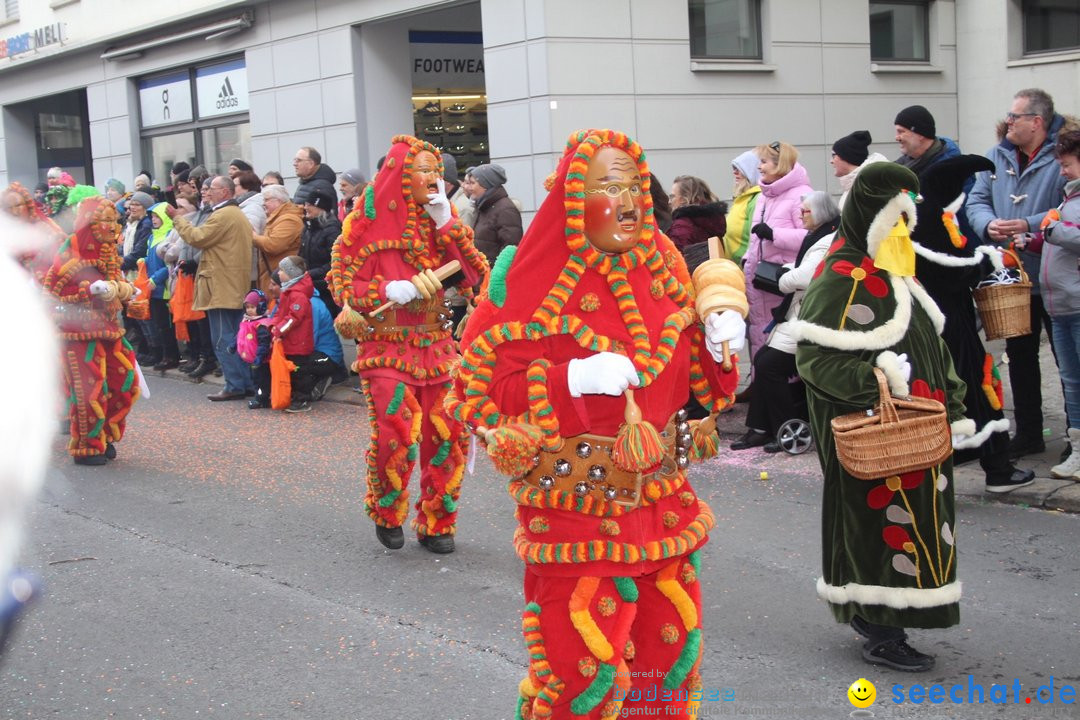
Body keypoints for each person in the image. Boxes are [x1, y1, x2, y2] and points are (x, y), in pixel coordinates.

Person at [446, 128, 745, 718]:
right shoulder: (530, 273)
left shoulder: (662, 266)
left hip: (663, 500)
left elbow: (707, 393)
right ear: (575, 197)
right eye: (611, 187)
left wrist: (717, 343)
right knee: (580, 676)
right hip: (573, 510)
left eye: (635, 186)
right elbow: (478, 394)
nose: (631, 202)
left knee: (669, 666)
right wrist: (568, 382)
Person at [793, 163, 973, 672]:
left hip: (918, 429)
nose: (903, 232)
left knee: (920, 526)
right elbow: (815, 359)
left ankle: (882, 615)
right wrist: (877, 379)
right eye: (894, 222)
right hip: (874, 430)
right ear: (871, 218)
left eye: (906, 222)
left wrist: (954, 405)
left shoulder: (896, 271)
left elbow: (934, 348)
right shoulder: (843, 273)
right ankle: (880, 626)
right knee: (878, 523)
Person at [328, 133, 488, 554]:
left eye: (437, 173)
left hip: (436, 344)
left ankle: (438, 520)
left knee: (449, 434)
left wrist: (446, 224)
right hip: (386, 345)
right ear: (401, 176)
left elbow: (475, 278)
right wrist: (386, 289)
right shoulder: (363, 222)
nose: (434, 180)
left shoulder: (443, 219)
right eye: (425, 172)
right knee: (396, 433)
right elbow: (344, 286)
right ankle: (387, 510)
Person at [911, 155, 1035, 492]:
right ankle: (998, 468)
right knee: (980, 388)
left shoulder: (923, 215)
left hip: (935, 321)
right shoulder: (931, 219)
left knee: (951, 393)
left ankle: (953, 459)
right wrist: (986, 264)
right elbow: (949, 272)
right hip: (949, 322)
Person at [966, 88, 1069, 459]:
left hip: (1054, 277)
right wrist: (989, 224)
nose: (1008, 121)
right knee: (1020, 357)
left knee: (1065, 360)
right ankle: (1028, 433)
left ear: (1037, 122)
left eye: (1015, 116)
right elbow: (976, 199)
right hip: (1008, 277)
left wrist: (1028, 222)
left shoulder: (1063, 156)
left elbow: (1069, 206)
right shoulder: (995, 155)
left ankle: (1074, 437)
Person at [732, 190, 840, 452]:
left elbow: (806, 276)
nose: (801, 215)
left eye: (806, 211)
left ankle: (784, 425)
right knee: (763, 362)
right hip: (798, 313)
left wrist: (780, 278)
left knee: (769, 364)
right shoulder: (818, 236)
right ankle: (760, 427)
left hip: (810, 317)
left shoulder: (826, 240)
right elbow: (802, 267)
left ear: (821, 213)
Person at [41, 196, 140, 465]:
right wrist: (90, 290)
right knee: (89, 389)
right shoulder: (70, 250)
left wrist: (125, 290)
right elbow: (55, 289)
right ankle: (87, 445)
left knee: (124, 382)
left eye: (113, 220)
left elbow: (116, 283)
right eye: (104, 221)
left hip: (109, 329)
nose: (111, 226)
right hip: (77, 332)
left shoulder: (108, 251)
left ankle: (105, 435)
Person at [165, 175, 256, 401]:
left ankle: (234, 384)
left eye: (211, 189)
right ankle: (243, 383)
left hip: (222, 286)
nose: (206, 193)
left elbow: (197, 237)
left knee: (224, 338)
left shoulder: (224, 215)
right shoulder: (234, 214)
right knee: (236, 337)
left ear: (225, 192)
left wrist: (177, 218)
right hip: (230, 284)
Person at [744, 141, 812, 368]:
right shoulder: (765, 195)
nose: (759, 167)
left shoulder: (801, 195)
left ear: (779, 164)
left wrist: (775, 234)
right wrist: (748, 257)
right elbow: (756, 238)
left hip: (780, 282)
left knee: (781, 341)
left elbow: (811, 237)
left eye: (764, 162)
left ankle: (783, 395)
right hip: (761, 280)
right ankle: (760, 391)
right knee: (760, 335)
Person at [1040, 130, 1080, 478]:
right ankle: (1078, 453)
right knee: (1071, 382)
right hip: (1060, 308)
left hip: (1078, 306)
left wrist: (1052, 230)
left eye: (1067, 165)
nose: (1062, 172)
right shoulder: (1068, 201)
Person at [271, 256, 318, 413]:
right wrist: (274, 325)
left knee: (300, 372)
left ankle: (302, 398)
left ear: (291, 274)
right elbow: (282, 313)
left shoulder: (297, 295)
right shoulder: (289, 291)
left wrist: (279, 329)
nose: (278, 273)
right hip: (292, 341)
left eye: (282, 270)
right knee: (294, 370)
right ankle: (296, 396)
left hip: (299, 342)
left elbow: (294, 318)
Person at [146, 202, 181, 371]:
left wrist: (156, 279)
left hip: (165, 287)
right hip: (152, 288)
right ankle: (163, 354)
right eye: (152, 217)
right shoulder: (151, 237)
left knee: (167, 325)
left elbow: (168, 265)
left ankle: (172, 356)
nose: (154, 220)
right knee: (159, 324)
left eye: (157, 216)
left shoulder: (168, 234)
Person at [299, 187, 343, 318]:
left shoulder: (332, 229)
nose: (305, 207)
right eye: (305, 204)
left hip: (326, 288)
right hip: (310, 284)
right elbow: (301, 255)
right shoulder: (308, 228)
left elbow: (334, 261)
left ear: (321, 208)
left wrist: (311, 274)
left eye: (310, 205)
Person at [253, 184, 304, 293]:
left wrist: (253, 236)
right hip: (274, 278)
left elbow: (272, 245)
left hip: (282, 281)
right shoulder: (278, 218)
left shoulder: (289, 220)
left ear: (278, 201)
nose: (263, 204)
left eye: (266, 200)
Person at [469, 163, 522, 265]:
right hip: (485, 273)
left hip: (494, 276)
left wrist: (496, 275)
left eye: (473, 183)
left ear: (485, 185)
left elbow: (510, 249)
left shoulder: (505, 210)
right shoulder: (484, 207)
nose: (470, 188)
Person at [666, 175, 727, 251]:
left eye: (672, 196)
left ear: (683, 199)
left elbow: (677, 257)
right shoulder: (714, 221)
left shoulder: (681, 225)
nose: (669, 201)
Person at [831, 130, 889, 208]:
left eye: (833, 155)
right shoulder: (854, 187)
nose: (831, 161)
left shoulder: (868, 189)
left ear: (846, 156)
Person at [238, 289, 274, 410]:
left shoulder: (261, 324)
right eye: (247, 307)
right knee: (255, 379)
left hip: (261, 360)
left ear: (261, 306)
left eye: (252, 307)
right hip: (252, 358)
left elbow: (264, 342)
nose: (249, 310)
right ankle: (261, 397)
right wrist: (233, 345)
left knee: (261, 381)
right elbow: (240, 335)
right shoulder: (247, 321)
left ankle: (261, 398)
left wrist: (259, 357)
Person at [723, 151, 761, 264]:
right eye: (734, 168)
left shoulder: (757, 199)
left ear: (753, 171)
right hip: (735, 267)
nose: (735, 172)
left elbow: (755, 240)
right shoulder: (742, 198)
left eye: (739, 169)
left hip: (746, 268)